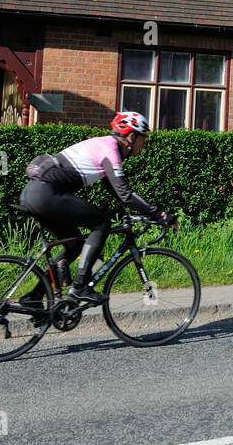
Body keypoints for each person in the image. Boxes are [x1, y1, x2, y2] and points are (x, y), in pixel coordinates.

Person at [18, 110, 173, 306]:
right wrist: (159, 214)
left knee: (73, 247)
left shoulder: (103, 144)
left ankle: (32, 298)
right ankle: (81, 286)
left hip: (34, 193)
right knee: (101, 223)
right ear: (132, 136)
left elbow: (116, 191)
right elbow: (125, 194)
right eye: (144, 139)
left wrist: (139, 213)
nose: (144, 145)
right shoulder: (110, 151)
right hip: (45, 194)